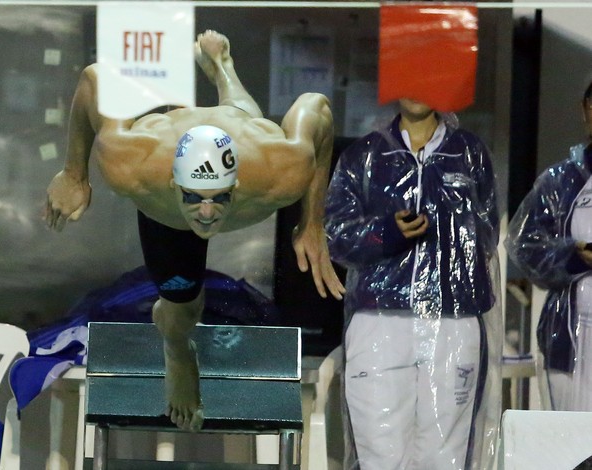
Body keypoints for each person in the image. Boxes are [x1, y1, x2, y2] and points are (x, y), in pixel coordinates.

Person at [45, 30, 345, 432]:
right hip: (165, 185)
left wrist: (311, 221)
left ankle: (223, 69)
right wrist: (74, 172)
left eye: (219, 197)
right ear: (174, 185)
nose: (206, 214)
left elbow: (317, 108)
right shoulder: (131, 161)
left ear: (236, 185)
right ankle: (177, 348)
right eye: (194, 197)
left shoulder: (280, 168)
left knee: (243, 119)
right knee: (181, 306)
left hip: (242, 140)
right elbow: (95, 77)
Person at [324, 98, 501, 469]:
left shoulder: (469, 153)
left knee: (444, 456)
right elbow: (337, 238)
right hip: (379, 321)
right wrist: (386, 232)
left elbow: (486, 235)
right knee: (380, 455)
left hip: (453, 321)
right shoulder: (364, 155)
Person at [505, 79, 592, 412]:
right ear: (585, 110)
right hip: (571, 342)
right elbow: (524, 245)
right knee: (570, 448)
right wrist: (573, 257)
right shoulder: (562, 179)